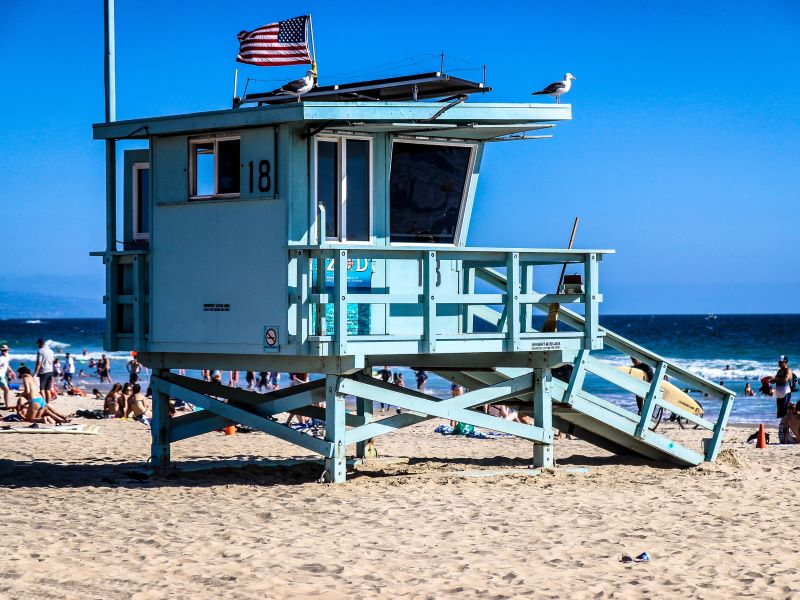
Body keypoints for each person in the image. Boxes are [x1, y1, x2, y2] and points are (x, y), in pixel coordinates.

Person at [33, 338, 56, 404]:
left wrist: (35, 372)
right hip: (50, 371)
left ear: (39, 343)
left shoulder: (40, 351)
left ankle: (43, 403)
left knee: (42, 388)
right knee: (48, 389)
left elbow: (39, 363)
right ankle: (48, 404)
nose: (37, 346)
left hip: (44, 371)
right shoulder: (51, 351)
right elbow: (52, 362)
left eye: (38, 344)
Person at [0, 344, 15, 409]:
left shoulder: (7, 356)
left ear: (7, 350)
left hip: (2, 375)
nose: (4, 351)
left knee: (4, 389)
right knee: (7, 390)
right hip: (0, 376)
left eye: (5, 350)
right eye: (2, 350)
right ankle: (7, 406)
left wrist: (11, 372)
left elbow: (7, 365)